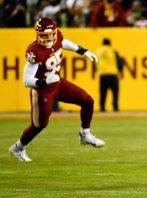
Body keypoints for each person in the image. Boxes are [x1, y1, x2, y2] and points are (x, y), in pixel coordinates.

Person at [9, 18, 105, 162]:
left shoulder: (57, 36)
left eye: (50, 35)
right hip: (41, 90)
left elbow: (63, 42)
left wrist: (82, 51)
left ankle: (85, 134)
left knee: (87, 101)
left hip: (58, 84)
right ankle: (17, 147)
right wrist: (44, 81)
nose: (48, 38)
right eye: (44, 35)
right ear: (37, 34)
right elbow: (26, 81)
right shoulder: (34, 51)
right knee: (40, 125)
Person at [96, 38, 123, 112]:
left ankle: (102, 108)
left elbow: (95, 62)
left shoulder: (98, 51)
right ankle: (115, 107)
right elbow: (119, 63)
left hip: (103, 75)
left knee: (103, 93)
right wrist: (120, 72)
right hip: (112, 74)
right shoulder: (113, 51)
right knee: (115, 92)